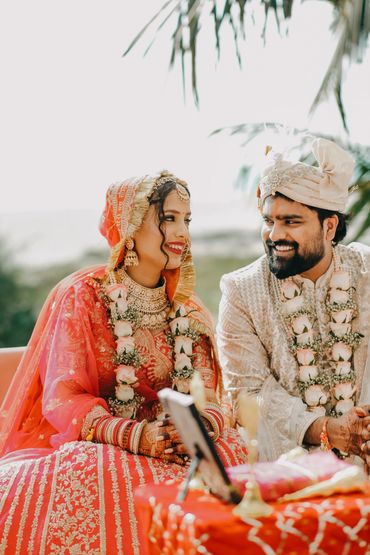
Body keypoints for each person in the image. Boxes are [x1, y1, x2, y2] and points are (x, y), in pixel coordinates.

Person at [0, 171, 247, 554]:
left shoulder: (188, 308)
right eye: (168, 218)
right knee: (90, 470)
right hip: (106, 445)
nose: (182, 232)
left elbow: (213, 398)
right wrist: (137, 437)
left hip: (178, 450)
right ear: (130, 223)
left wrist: (198, 426)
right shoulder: (83, 297)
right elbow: (64, 399)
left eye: (187, 219)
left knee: (234, 452)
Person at [217, 138, 370, 468]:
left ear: (329, 227)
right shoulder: (241, 290)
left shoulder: (366, 271)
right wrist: (329, 430)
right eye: (269, 221)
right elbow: (248, 390)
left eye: (291, 221)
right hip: (290, 468)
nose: (274, 235)